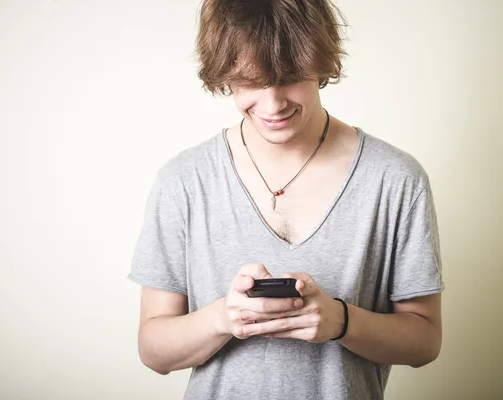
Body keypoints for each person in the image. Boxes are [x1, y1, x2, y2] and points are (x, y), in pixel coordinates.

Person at [128, 1, 444, 399]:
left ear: (321, 64)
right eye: (250, 80)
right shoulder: (184, 180)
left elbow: (425, 341)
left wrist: (341, 321)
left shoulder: (395, 178)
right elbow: (154, 351)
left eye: (291, 77)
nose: (273, 104)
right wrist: (225, 317)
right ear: (224, 74)